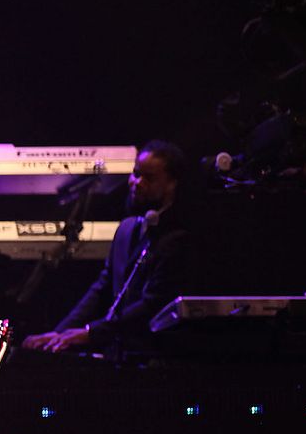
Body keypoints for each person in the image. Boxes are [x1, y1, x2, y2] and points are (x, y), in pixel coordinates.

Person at [23, 141, 195, 352]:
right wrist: (61, 333)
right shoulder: (127, 228)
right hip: (118, 351)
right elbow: (102, 288)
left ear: (172, 184)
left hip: (153, 354)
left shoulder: (177, 238)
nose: (136, 183)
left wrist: (92, 333)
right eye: (135, 174)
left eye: (148, 178)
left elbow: (153, 304)